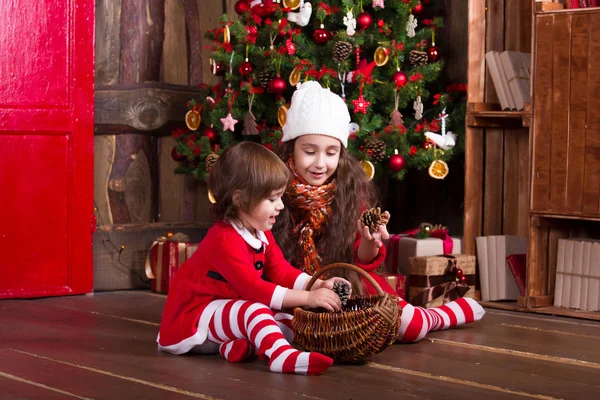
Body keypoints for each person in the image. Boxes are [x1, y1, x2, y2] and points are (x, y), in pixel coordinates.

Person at [274, 81, 485, 343]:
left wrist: (370, 243)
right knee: (275, 325)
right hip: (293, 291)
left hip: (350, 285)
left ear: (341, 154)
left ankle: (439, 316)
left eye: (331, 153)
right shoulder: (273, 191)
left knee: (408, 326)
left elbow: (361, 260)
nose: (320, 163)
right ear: (291, 149)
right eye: (309, 151)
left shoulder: (348, 191)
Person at [157, 141, 350, 375]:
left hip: (228, 313)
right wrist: (308, 297)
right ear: (239, 200)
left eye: (280, 197)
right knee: (256, 311)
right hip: (195, 317)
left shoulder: (260, 232)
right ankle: (281, 356)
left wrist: (318, 283)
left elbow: (281, 271)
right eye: (272, 199)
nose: (280, 206)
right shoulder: (224, 239)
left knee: (285, 319)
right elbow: (255, 289)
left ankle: (238, 347)